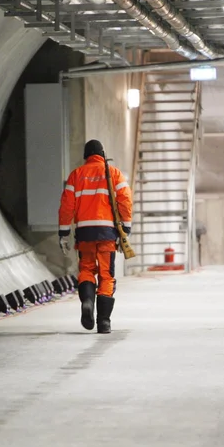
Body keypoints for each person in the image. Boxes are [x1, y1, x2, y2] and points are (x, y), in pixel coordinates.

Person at [58, 140, 132, 334]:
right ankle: (104, 321)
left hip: (84, 233)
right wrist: (126, 226)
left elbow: (67, 206)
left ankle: (88, 301)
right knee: (106, 275)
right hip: (107, 232)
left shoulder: (76, 175)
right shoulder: (114, 173)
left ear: (86, 156)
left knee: (87, 270)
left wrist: (64, 232)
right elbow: (125, 199)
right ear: (102, 154)